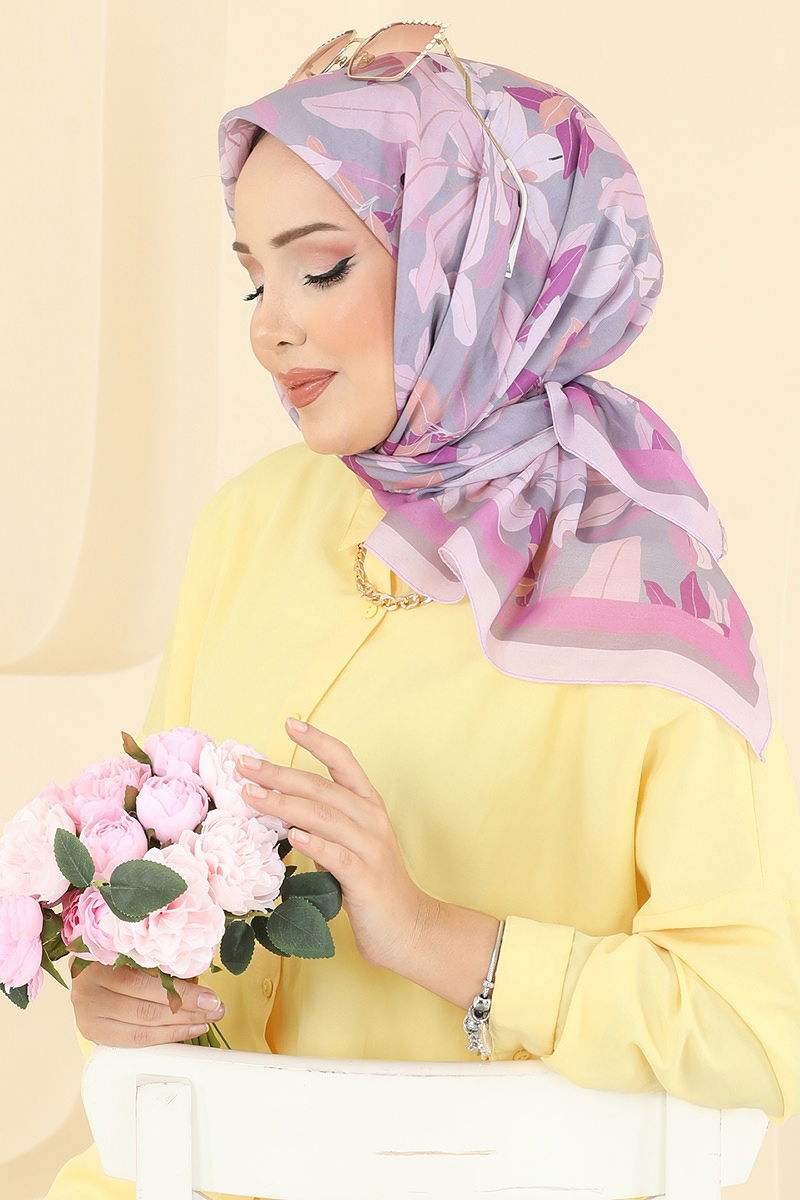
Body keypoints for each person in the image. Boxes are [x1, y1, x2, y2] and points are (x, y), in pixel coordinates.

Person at [43, 36, 800, 1200]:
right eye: (253, 278)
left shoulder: (648, 601)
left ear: (471, 264)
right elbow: (171, 885)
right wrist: (130, 981)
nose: (267, 327)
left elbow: (755, 1031)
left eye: (320, 268)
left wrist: (439, 939)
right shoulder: (249, 522)